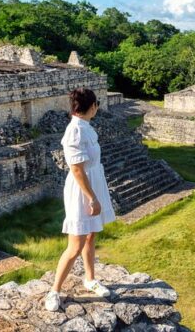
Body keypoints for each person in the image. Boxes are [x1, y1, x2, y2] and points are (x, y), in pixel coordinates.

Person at [45, 87, 116, 312]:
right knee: (75, 244)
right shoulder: (75, 130)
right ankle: (54, 291)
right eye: (97, 106)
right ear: (93, 106)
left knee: (91, 234)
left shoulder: (86, 127)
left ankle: (90, 278)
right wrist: (92, 198)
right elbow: (76, 169)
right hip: (82, 189)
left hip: (93, 182)